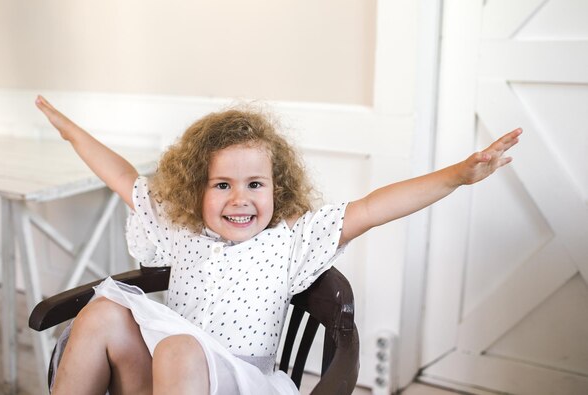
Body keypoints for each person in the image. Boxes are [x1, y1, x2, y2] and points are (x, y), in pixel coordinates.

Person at [35, 95, 521, 395]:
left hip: (239, 382)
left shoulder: (292, 242)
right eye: (221, 185)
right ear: (195, 190)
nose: (240, 199)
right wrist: (68, 130)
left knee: (180, 348)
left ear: (277, 188)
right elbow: (121, 175)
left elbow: (375, 207)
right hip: (170, 376)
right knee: (102, 313)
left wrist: (458, 175)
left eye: (255, 185)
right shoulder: (181, 231)